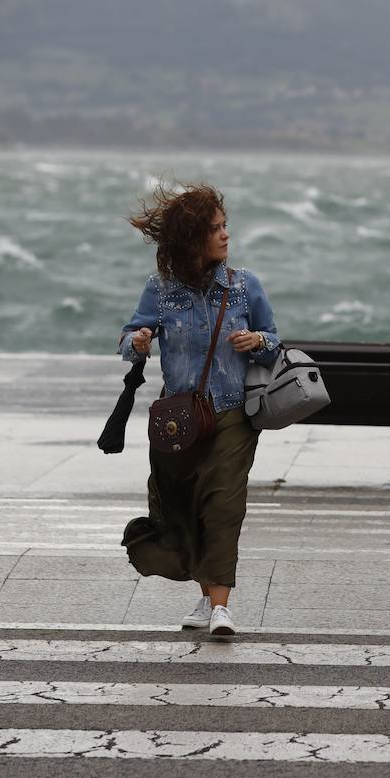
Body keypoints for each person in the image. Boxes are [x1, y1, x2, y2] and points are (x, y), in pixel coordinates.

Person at [120, 184, 280, 636]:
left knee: (223, 504)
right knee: (185, 510)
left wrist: (258, 342)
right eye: (215, 229)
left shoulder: (245, 286)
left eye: (225, 225)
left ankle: (221, 606)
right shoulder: (161, 291)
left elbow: (275, 342)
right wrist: (137, 342)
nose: (226, 235)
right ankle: (206, 595)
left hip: (233, 415)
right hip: (180, 422)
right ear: (192, 239)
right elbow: (129, 338)